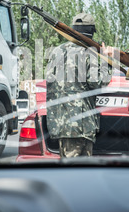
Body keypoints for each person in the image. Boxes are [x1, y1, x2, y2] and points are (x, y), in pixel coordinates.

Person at [45, 13, 114, 158]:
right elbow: (98, 83)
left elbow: (49, 81)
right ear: (91, 32)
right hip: (80, 125)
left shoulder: (56, 51)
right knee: (78, 174)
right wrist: (106, 60)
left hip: (61, 123)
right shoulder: (90, 53)